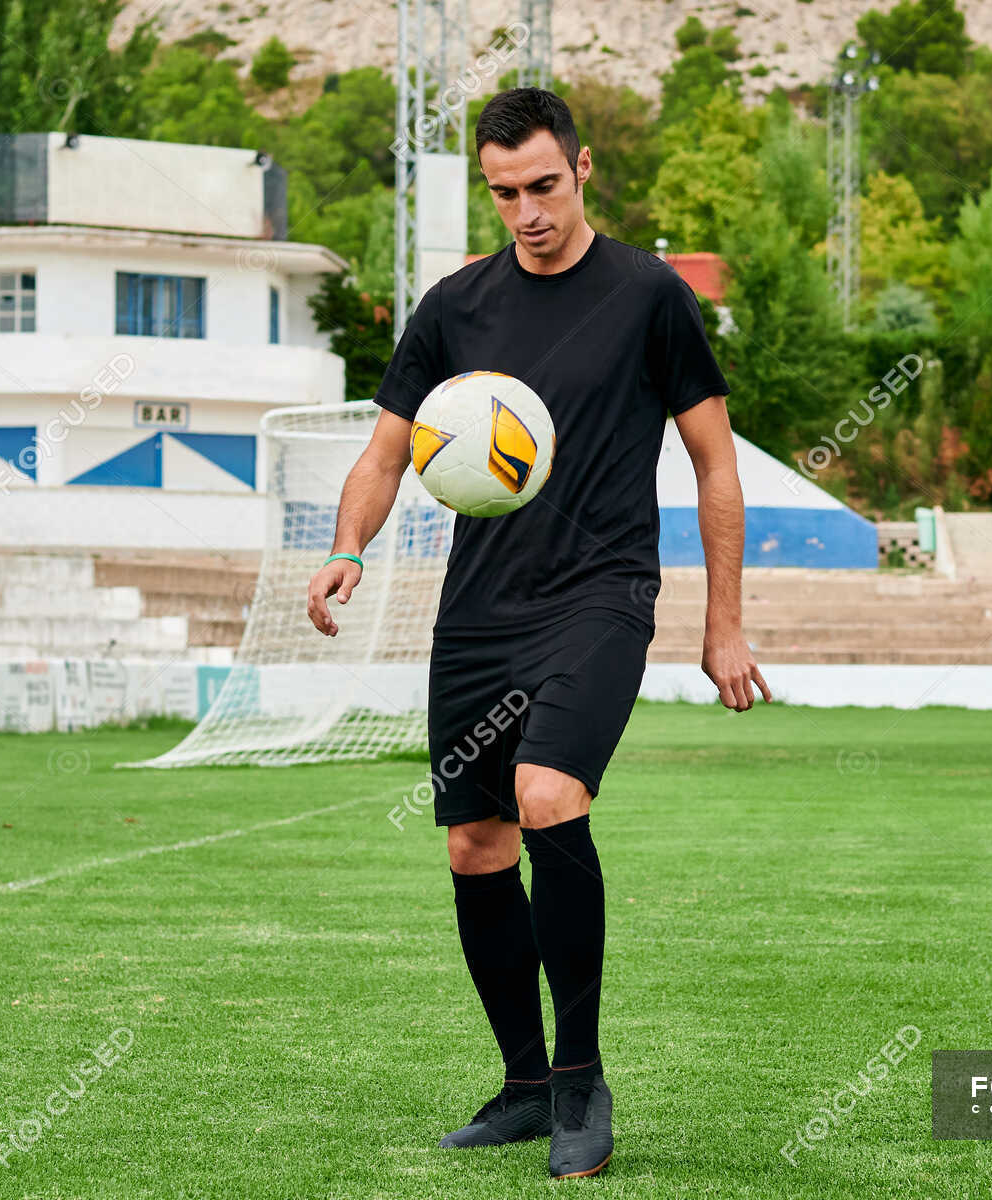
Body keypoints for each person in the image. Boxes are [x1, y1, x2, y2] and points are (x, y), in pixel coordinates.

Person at [305, 86, 770, 1180]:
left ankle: (580, 1081)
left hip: (601, 596)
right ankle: (520, 1085)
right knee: (476, 843)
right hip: (480, 609)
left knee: (549, 794)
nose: (528, 213)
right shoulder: (456, 308)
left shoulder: (650, 296)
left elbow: (715, 465)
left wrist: (726, 625)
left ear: (585, 169)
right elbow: (383, 455)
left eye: (544, 187)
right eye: (505, 193)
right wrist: (350, 547)